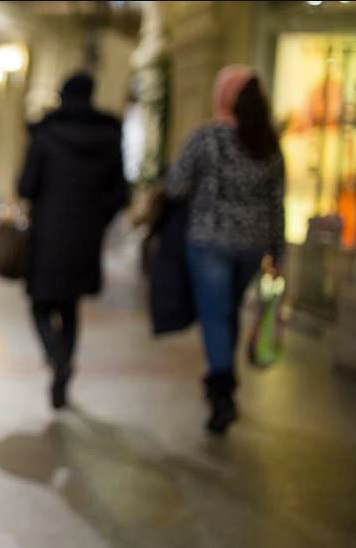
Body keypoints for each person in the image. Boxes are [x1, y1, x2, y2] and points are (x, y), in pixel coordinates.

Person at [166, 65, 284, 435]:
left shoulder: (208, 138)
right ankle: (224, 378)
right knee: (227, 312)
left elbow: (176, 185)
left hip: (210, 241)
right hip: (253, 245)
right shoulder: (267, 143)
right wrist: (278, 253)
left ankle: (221, 391)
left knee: (215, 316)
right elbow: (277, 202)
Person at [17, 72, 129, 409]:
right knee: (70, 306)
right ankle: (64, 359)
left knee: (39, 303)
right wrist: (97, 218)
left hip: (49, 232)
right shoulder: (109, 135)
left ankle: (56, 358)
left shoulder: (46, 133)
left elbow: (26, 185)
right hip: (86, 234)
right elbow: (120, 192)